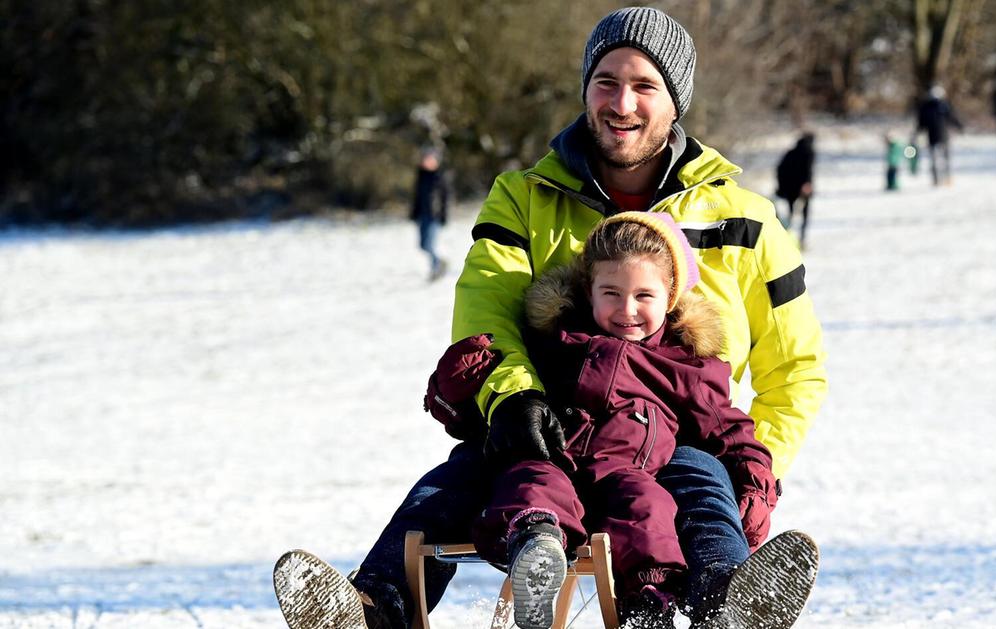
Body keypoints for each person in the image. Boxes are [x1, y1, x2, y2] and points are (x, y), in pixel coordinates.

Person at [272, 7, 827, 629]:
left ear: (677, 101)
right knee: (449, 483)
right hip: (547, 428)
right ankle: (374, 607)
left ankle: (727, 604)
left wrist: (753, 473)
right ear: (585, 89)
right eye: (607, 81)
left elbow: (796, 370)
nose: (623, 103)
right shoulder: (523, 197)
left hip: (676, 444)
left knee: (701, 488)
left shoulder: (746, 222)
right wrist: (513, 401)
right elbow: (485, 314)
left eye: (646, 86)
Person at [462, 212, 778, 628]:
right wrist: (465, 386)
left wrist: (755, 489)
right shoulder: (557, 342)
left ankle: (662, 603)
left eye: (644, 296)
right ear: (587, 292)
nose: (626, 310)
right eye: (611, 292)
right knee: (534, 481)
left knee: (648, 506)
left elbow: (732, 431)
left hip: (629, 472)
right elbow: (490, 393)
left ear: (671, 296)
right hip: (558, 460)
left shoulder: (684, 366)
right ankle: (538, 556)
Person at [411, 148, 449, 280]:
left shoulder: (440, 177)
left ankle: (436, 269)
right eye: (425, 158)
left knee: (429, 245)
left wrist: (444, 215)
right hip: (422, 215)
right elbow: (417, 197)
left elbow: (445, 198)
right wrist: (414, 212)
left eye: (430, 159)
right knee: (422, 245)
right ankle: (440, 262)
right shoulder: (421, 176)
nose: (426, 161)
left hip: (435, 216)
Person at [915, 85, 964, 186]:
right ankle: (945, 178)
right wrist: (959, 126)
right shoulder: (942, 105)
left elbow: (921, 123)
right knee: (944, 159)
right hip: (942, 136)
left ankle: (937, 180)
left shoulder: (926, 107)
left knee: (935, 159)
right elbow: (952, 118)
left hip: (934, 136)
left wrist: (918, 132)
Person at [775, 133, 815, 246]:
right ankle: (800, 239)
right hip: (803, 188)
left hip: (789, 189)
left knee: (791, 214)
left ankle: (789, 239)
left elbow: (779, 169)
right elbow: (808, 169)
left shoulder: (790, 153)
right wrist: (807, 184)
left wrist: (781, 186)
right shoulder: (809, 152)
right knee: (804, 214)